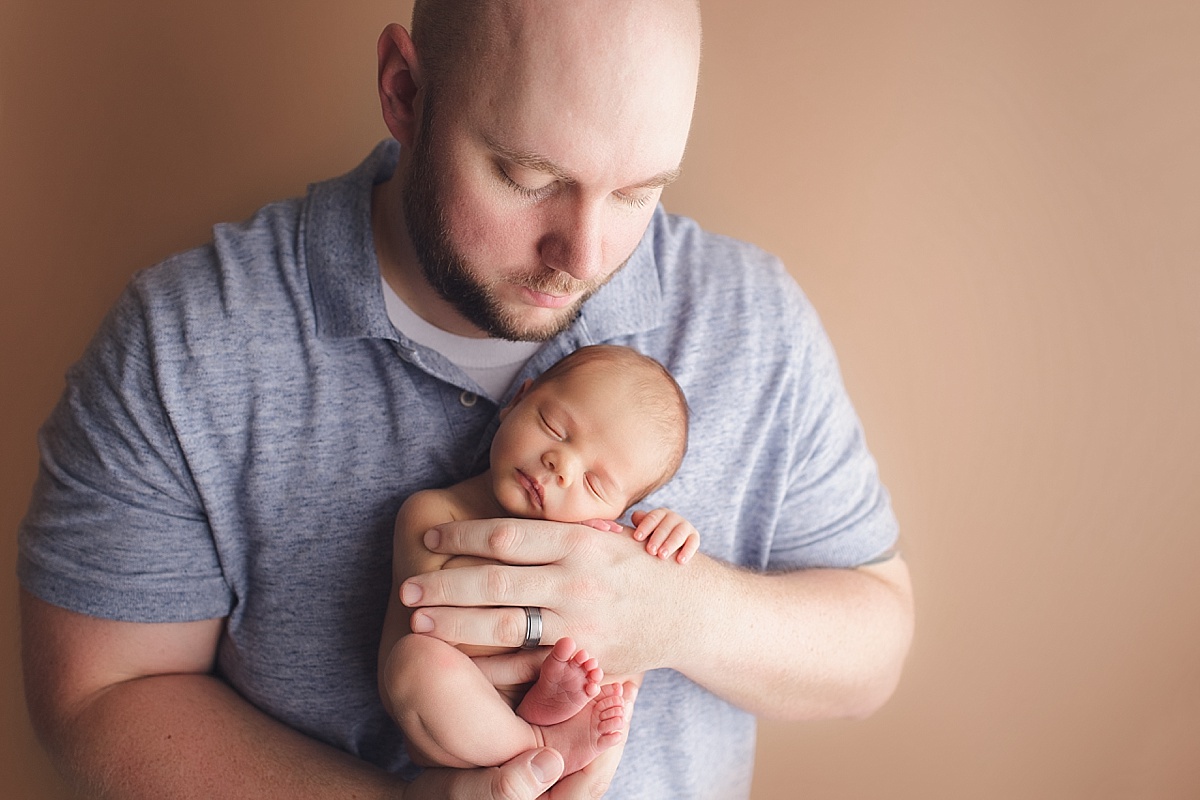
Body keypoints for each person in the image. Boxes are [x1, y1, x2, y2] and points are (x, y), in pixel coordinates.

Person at [17, 1, 914, 798]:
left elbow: (872, 648)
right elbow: (98, 696)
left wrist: (676, 614)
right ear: (404, 90)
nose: (584, 254)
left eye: (640, 192)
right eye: (529, 178)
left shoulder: (748, 316)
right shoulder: (183, 341)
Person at [380, 344, 698, 777]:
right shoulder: (435, 513)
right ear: (516, 401)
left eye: (595, 483)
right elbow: (449, 626)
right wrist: (539, 655)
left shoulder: (593, 538)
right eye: (554, 427)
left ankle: (557, 731)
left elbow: (636, 615)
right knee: (415, 663)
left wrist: (659, 540)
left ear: (616, 511)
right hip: (459, 717)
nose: (561, 464)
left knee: (627, 657)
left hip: (560, 688)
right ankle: (539, 745)